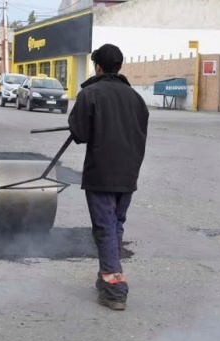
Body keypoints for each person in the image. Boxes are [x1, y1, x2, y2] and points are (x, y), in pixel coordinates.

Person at [68, 43, 149, 311]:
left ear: (98, 67)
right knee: (115, 225)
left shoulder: (90, 94)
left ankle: (115, 287)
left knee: (104, 227)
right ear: (119, 67)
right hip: (128, 173)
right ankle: (107, 275)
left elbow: (79, 133)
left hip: (102, 172)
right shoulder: (135, 97)